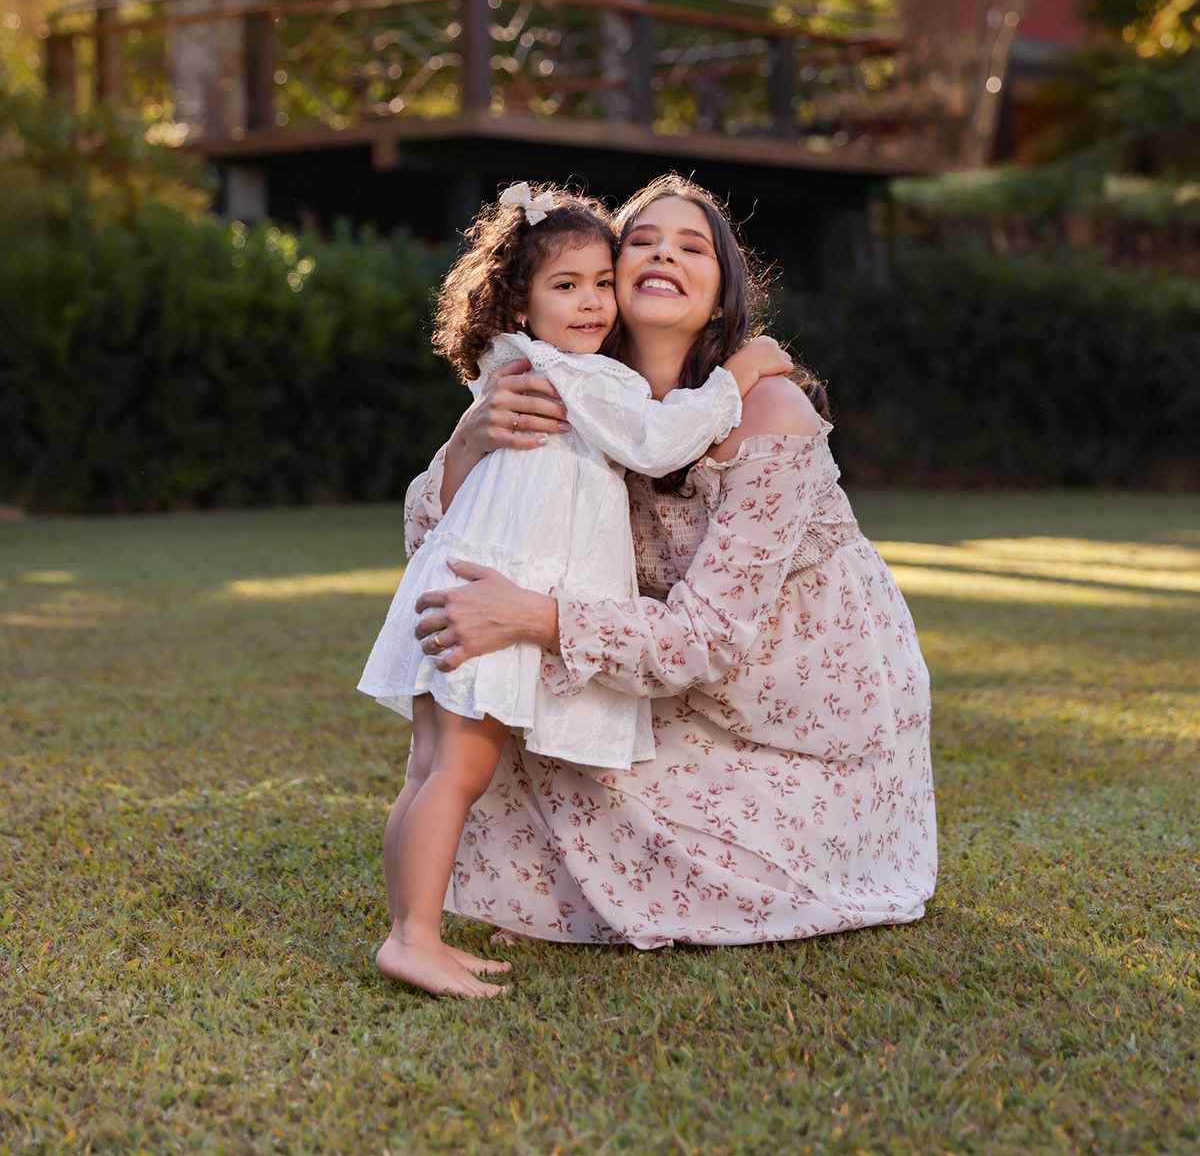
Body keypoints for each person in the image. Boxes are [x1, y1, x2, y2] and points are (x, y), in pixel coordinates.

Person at [406, 175, 937, 963]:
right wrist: (471, 438)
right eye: (643, 242)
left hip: (794, 708)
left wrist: (533, 615)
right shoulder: (585, 388)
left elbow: (708, 637)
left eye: (692, 246)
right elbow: (430, 537)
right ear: (606, 277)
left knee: (547, 680)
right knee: (506, 709)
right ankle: (530, 894)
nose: (663, 255)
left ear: (723, 297)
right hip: (665, 676)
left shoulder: (770, 413)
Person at [360, 182, 793, 997]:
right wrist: (739, 375)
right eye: (567, 285)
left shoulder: (522, 364)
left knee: (430, 769)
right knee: (455, 771)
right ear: (520, 306)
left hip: (459, 579)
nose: (592, 301)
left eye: (600, 282)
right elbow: (658, 441)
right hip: (492, 593)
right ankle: (412, 937)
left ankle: (412, 927)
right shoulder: (583, 377)